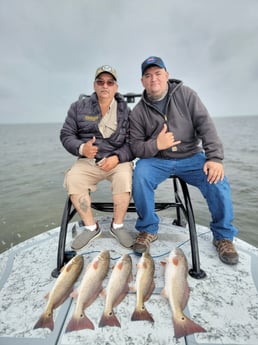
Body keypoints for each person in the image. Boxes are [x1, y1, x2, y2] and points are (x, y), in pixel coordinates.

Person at [129, 56, 239, 265]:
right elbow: (135, 147)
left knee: (218, 180)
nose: (153, 79)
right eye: (148, 75)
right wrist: (156, 145)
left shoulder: (186, 95)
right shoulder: (138, 112)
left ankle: (223, 236)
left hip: (191, 157)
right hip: (157, 159)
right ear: (142, 81)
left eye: (158, 74)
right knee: (140, 174)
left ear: (167, 76)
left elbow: (205, 125)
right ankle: (147, 229)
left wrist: (214, 157)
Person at [60, 65, 134, 250]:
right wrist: (81, 148)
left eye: (110, 82)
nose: (105, 86)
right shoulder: (78, 107)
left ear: (115, 87)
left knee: (125, 178)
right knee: (73, 178)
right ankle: (91, 227)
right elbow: (66, 134)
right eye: (100, 82)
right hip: (87, 161)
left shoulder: (126, 111)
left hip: (117, 160)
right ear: (94, 85)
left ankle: (117, 225)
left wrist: (117, 157)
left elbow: (133, 142)